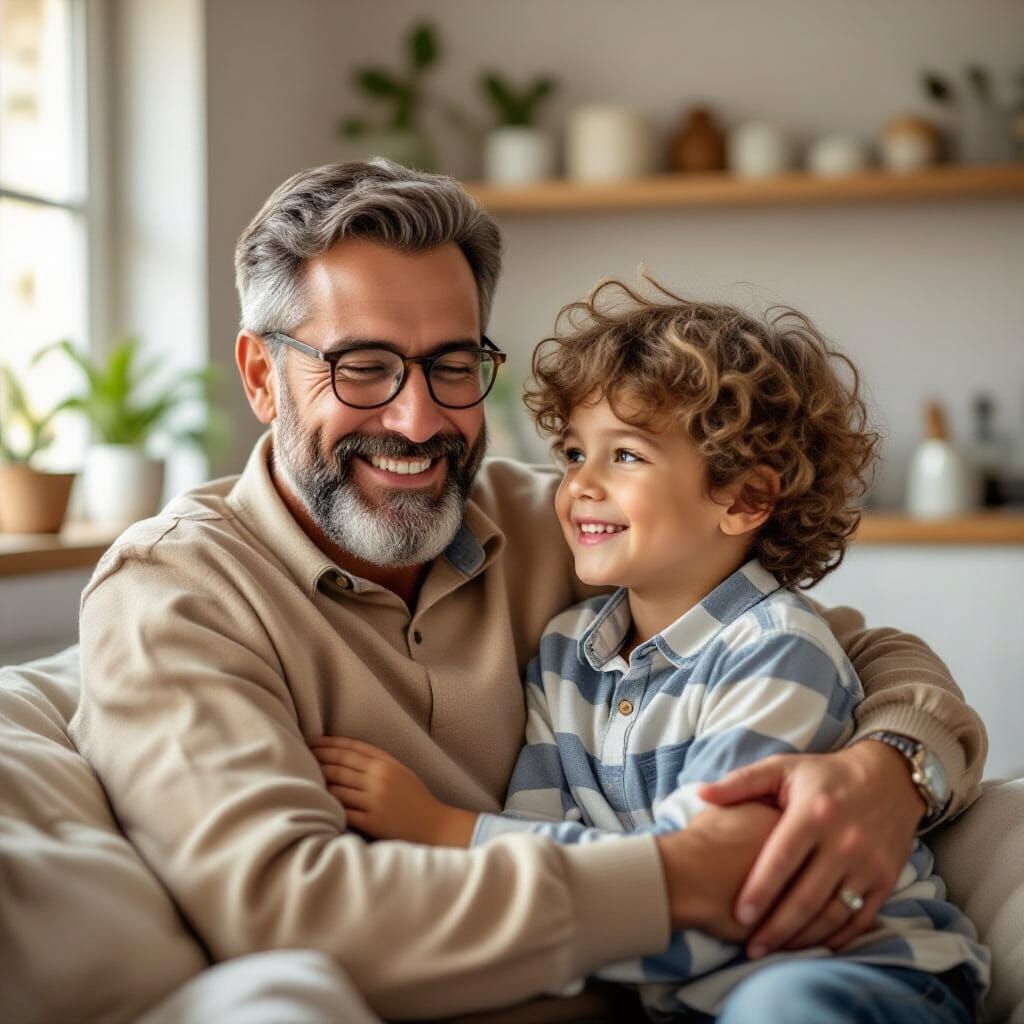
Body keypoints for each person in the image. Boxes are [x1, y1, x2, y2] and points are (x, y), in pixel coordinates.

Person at [70, 160, 987, 1021]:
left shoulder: (543, 518)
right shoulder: (176, 593)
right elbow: (284, 910)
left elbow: (843, 646)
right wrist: (679, 878)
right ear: (264, 376)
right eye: (362, 366)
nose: (418, 418)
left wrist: (892, 768)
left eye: (453, 365)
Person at [313, 277, 988, 1022]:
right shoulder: (566, 655)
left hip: (858, 974)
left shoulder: (778, 651)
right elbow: (545, 849)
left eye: (626, 456)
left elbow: (719, 891)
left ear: (744, 499)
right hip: (686, 995)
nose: (577, 488)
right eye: (573, 453)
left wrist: (444, 829)